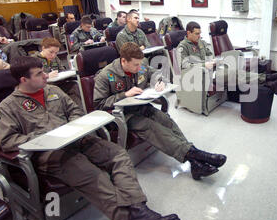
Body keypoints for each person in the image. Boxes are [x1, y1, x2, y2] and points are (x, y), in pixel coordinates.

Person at [0, 56, 180, 220]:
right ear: (23, 80)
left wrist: (72, 127)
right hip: (51, 154)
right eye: (39, 74)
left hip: (78, 140)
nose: (46, 76)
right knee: (93, 175)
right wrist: (47, 136)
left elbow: (75, 111)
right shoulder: (8, 106)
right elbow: (8, 141)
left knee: (118, 154)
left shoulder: (53, 90)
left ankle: (139, 210)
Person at [93, 42, 227, 180]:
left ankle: (195, 162)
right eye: (135, 65)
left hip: (142, 107)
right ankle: (199, 155)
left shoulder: (140, 64)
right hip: (124, 116)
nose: (139, 68)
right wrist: (124, 94)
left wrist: (159, 80)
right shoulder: (105, 75)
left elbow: (154, 73)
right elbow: (99, 104)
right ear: (123, 61)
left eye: (140, 64)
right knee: (153, 127)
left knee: (166, 121)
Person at [177, 22, 277, 96]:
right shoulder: (183, 47)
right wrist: (203, 65)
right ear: (188, 33)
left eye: (200, 33)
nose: (199, 36)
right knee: (234, 74)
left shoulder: (200, 42)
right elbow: (184, 66)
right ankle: (270, 79)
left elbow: (210, 54)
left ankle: (270, 82)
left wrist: (213, 60)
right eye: (197, 34)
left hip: (212, 70)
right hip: (199, 75)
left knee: (238, 72)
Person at [35, 37, 83, 108]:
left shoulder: (55, 58)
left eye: (56, 53)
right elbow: (34, 78)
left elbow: (62, 70)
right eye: (51, 52)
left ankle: (77, 110)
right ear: (43, 48)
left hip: (58, 83)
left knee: (75, 85)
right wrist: (47, 76)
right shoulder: (34, 59)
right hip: (45, 87)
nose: (53, 55)